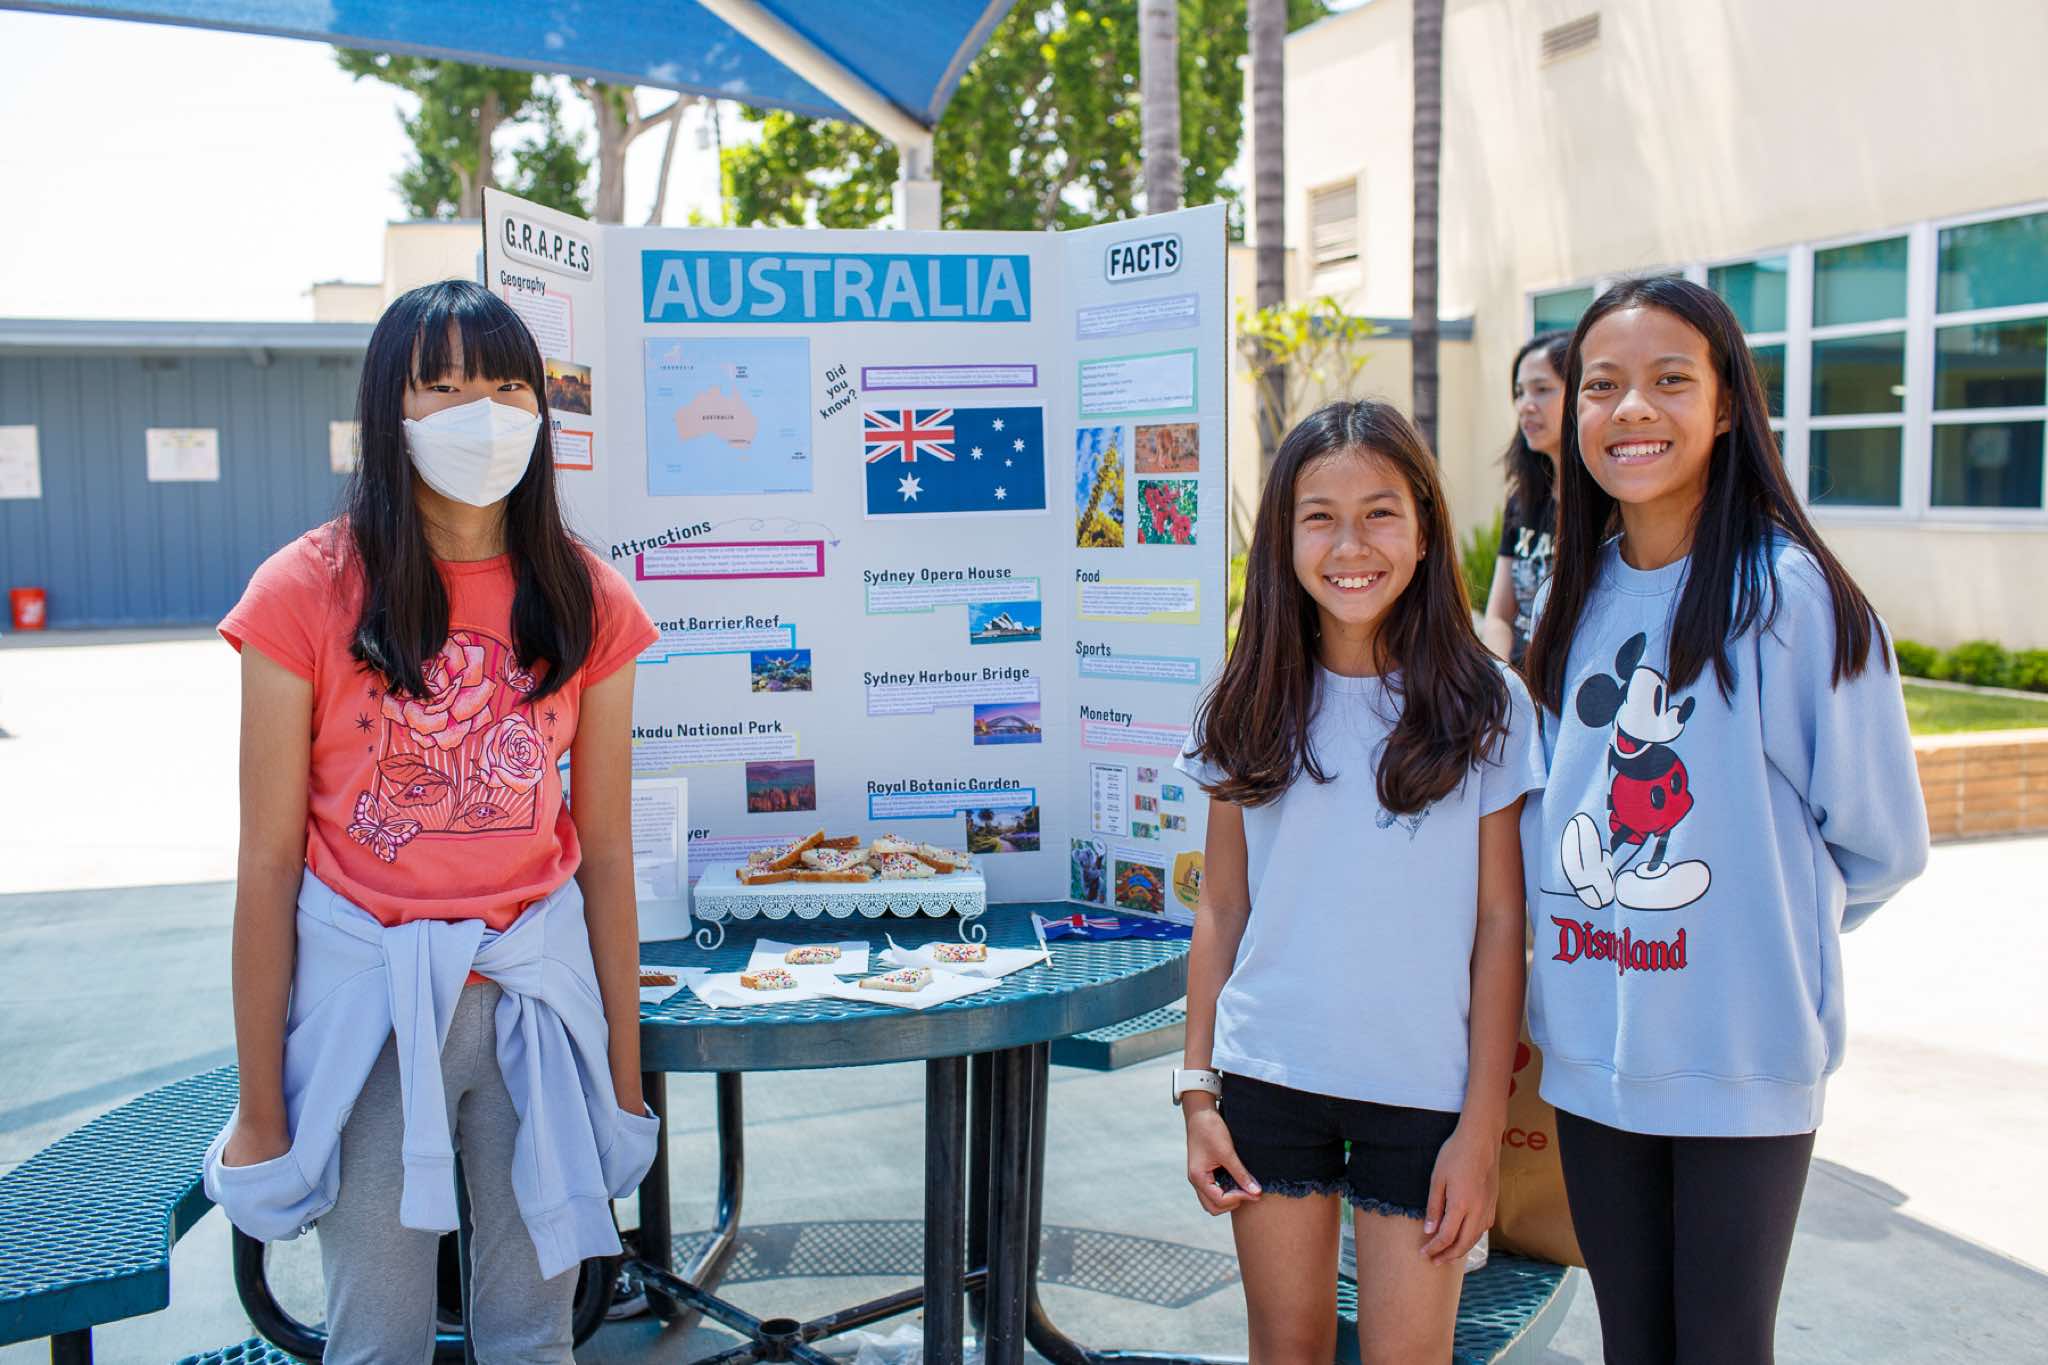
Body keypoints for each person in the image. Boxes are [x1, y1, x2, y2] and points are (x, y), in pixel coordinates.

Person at [201, 280, 661, 1363]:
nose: (481, 414)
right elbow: (267, 863)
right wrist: (259, 1106)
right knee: (376, 1337)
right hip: (370, 1006)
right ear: (387, 408)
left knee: (534, 1334)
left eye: (506, 385)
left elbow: (603, 853)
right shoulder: (302, 590)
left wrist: (623, 1074)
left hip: (531, 1005)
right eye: (443, 387)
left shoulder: (588, 596)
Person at [1520, 277, 1929, 1364]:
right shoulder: (1574, 597)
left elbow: (1881, 843)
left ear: (1726, 406)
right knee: (1632, 1341)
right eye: (1601, 385)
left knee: (1719, 1343)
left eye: (1669, 380)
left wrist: (1750, 935)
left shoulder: (1790, 598)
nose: (1630, 409)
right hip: (1590, 1052)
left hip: (1739, 1057)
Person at [1173, 401, 1544, 1362]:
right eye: (1319, 517)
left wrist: (1482, 1129)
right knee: (1285, 1348)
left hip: (1424, 1093)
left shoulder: (1486, 702)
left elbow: (1501, 924)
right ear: (1282, 539)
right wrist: (1198, 1094)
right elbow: (1222, 908)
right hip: (1268, 1077)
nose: (1350, 546)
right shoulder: (1244, 698)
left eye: (1380, 513)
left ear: (1424, 531)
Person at [1480, 332, 1571, 664]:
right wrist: (1501, 678)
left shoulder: (1611, 505)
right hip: (1516, 680)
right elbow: (1498, 616)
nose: (1525, 406)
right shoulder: (1523, 501)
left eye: (1542, 389)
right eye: (1519, 393)